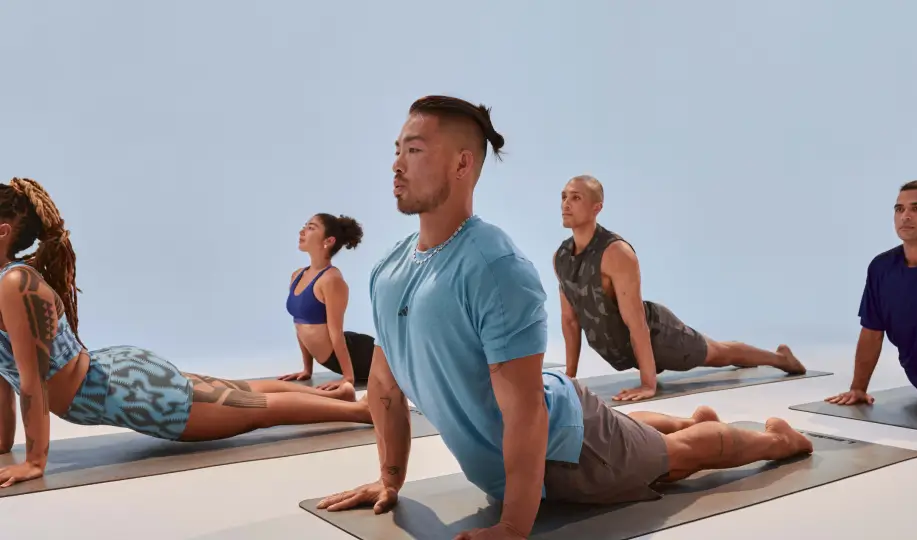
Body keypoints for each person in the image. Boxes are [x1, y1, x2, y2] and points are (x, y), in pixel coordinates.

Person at [314, 96, 814, 540]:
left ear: (462, 163)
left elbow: (526, 413)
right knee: (631, 435)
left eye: (414, 150)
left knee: (679, 459)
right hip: (545, 426)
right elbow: (384, 387)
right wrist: (390, 479)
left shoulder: (495, 267)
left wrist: (513, 527)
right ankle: (686, 421)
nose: (397, 164)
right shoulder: (388, 269)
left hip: (568, 452)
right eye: (397, 150)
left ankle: (779, 440)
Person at [0, 178, 372, 489]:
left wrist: (34, 462)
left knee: (258, 409)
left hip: (132, 393)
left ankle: (361, 412)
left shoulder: (16, 284)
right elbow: (5, 378)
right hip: (119, 376)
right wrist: (4, 445)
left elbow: (33, 381)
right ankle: (343, 397)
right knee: (242, 390)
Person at [554, 175, 807, 402]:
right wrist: (570, 378)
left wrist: (648, 384)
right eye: (564, 196)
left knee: (718, 353)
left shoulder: (616, 253)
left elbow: (636, 321)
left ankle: (781, 359)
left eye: (576, 197)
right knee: (719, 351)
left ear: (597, 207)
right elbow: (570, 321)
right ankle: (757, 357)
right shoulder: (562, 257)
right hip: (625, 349)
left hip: (660, 336)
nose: (566, 203)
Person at [826, 180, 917, 422]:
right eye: (899, 209)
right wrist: (858, 388)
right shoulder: (881, 268)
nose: (905, 216)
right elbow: (872, 332)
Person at [278, 212, 376, 394]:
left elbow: (335, 331)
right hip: (337, 355)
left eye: (311, 228)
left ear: (329, 241)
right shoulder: (297, 275)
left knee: (406, 368)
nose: (302, 231)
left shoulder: (331, 280)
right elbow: (299, 324)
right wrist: (307, 370)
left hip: (362, 355)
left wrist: (348, 377)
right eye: (305, 226)